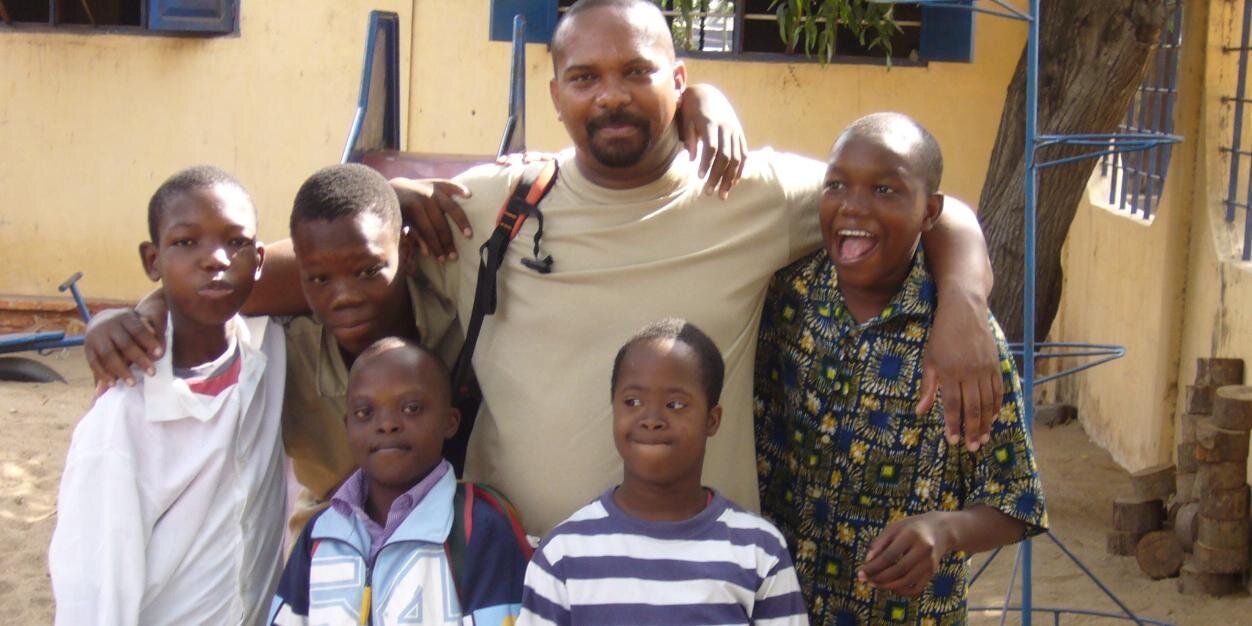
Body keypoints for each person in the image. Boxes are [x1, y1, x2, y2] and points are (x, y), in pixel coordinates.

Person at [84, 0, 1002, 535]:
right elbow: (289, 270)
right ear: (555, 93)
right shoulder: (492, 204)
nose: (611, 95)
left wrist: (961, 300)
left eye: (637, 71)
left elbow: (928, 201)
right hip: (508, 566)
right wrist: (151, 310)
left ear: (677, 84)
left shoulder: (751, 190)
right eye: (585, 76)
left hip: (684, 567)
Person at [754, 113, 1048, 624]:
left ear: (930, 211)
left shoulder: (966, 343)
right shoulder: (786, 302)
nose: (853, 205)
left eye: (886, 189)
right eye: (837, 184)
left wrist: (945, 530)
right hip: (786, 606)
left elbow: (1016, 501)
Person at [48, 166, 286, 625]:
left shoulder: (266, 350)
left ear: (258, 261)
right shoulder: (122, 419)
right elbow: (95, 598)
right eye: (185, 242)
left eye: (235, 242)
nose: (215, 258)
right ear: (152, 260)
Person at [520, 319, 807, 626]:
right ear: (614, 409)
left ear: (712, 419)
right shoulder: (564, 553)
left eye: (675, 404)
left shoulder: (758, 550)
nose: (652, 419)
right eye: (633, 402)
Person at [269, 337, 530, 625]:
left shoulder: (477, 525)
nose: (386, 424)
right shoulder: (321, 533)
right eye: (364, 413)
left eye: (411, 408)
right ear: (348, 427)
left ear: (450, 422)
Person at [280, 163, 461, 536]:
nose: (345, 297)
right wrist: (155, 307)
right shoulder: (287, 349)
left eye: (367, 271)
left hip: (451, 540)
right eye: (319, 279)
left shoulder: (454, 309)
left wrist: (393, 193)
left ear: (407, 253)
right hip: (331, 547)